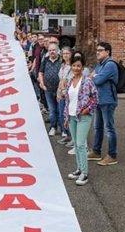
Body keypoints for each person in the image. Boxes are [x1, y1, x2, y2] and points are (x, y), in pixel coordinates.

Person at [63, 53, 98, 186]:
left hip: (83, 116)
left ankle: (85, 173)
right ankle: (79, 168)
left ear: (82, 67)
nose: (76, 68)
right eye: (74, 65)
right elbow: (67, 101)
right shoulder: (70, 81)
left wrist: (88, 109)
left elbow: (95, 97)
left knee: (81, 144)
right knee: (76, 145)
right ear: (71, 66)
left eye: (78, 66)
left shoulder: (87, 81)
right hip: (72, 116)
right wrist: (66, 117)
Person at [90, 41, 119, 166]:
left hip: (107, 101)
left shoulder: (110, 65)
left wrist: (95, 76)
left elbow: (98, 80)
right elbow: (92, 77)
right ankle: (96, 152)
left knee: (109, 128)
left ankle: (112, 155)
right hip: (99, 100)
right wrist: (94, 76)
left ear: (107, 52)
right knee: (98, 127)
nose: (97, 52)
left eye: (100, 50)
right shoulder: (100, 65)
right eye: (97, 50)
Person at [38, 42, 62, 136]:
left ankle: (63, 130)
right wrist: (42, 83)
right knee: (52, 110)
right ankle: (53, 127)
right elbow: (41, 72)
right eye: (50, 50)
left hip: (59, 90)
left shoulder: (61, 61)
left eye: (53, 50)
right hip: (48, 89)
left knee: (60, 110)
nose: (52, 52)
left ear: (57, 51)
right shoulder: (46, 60)